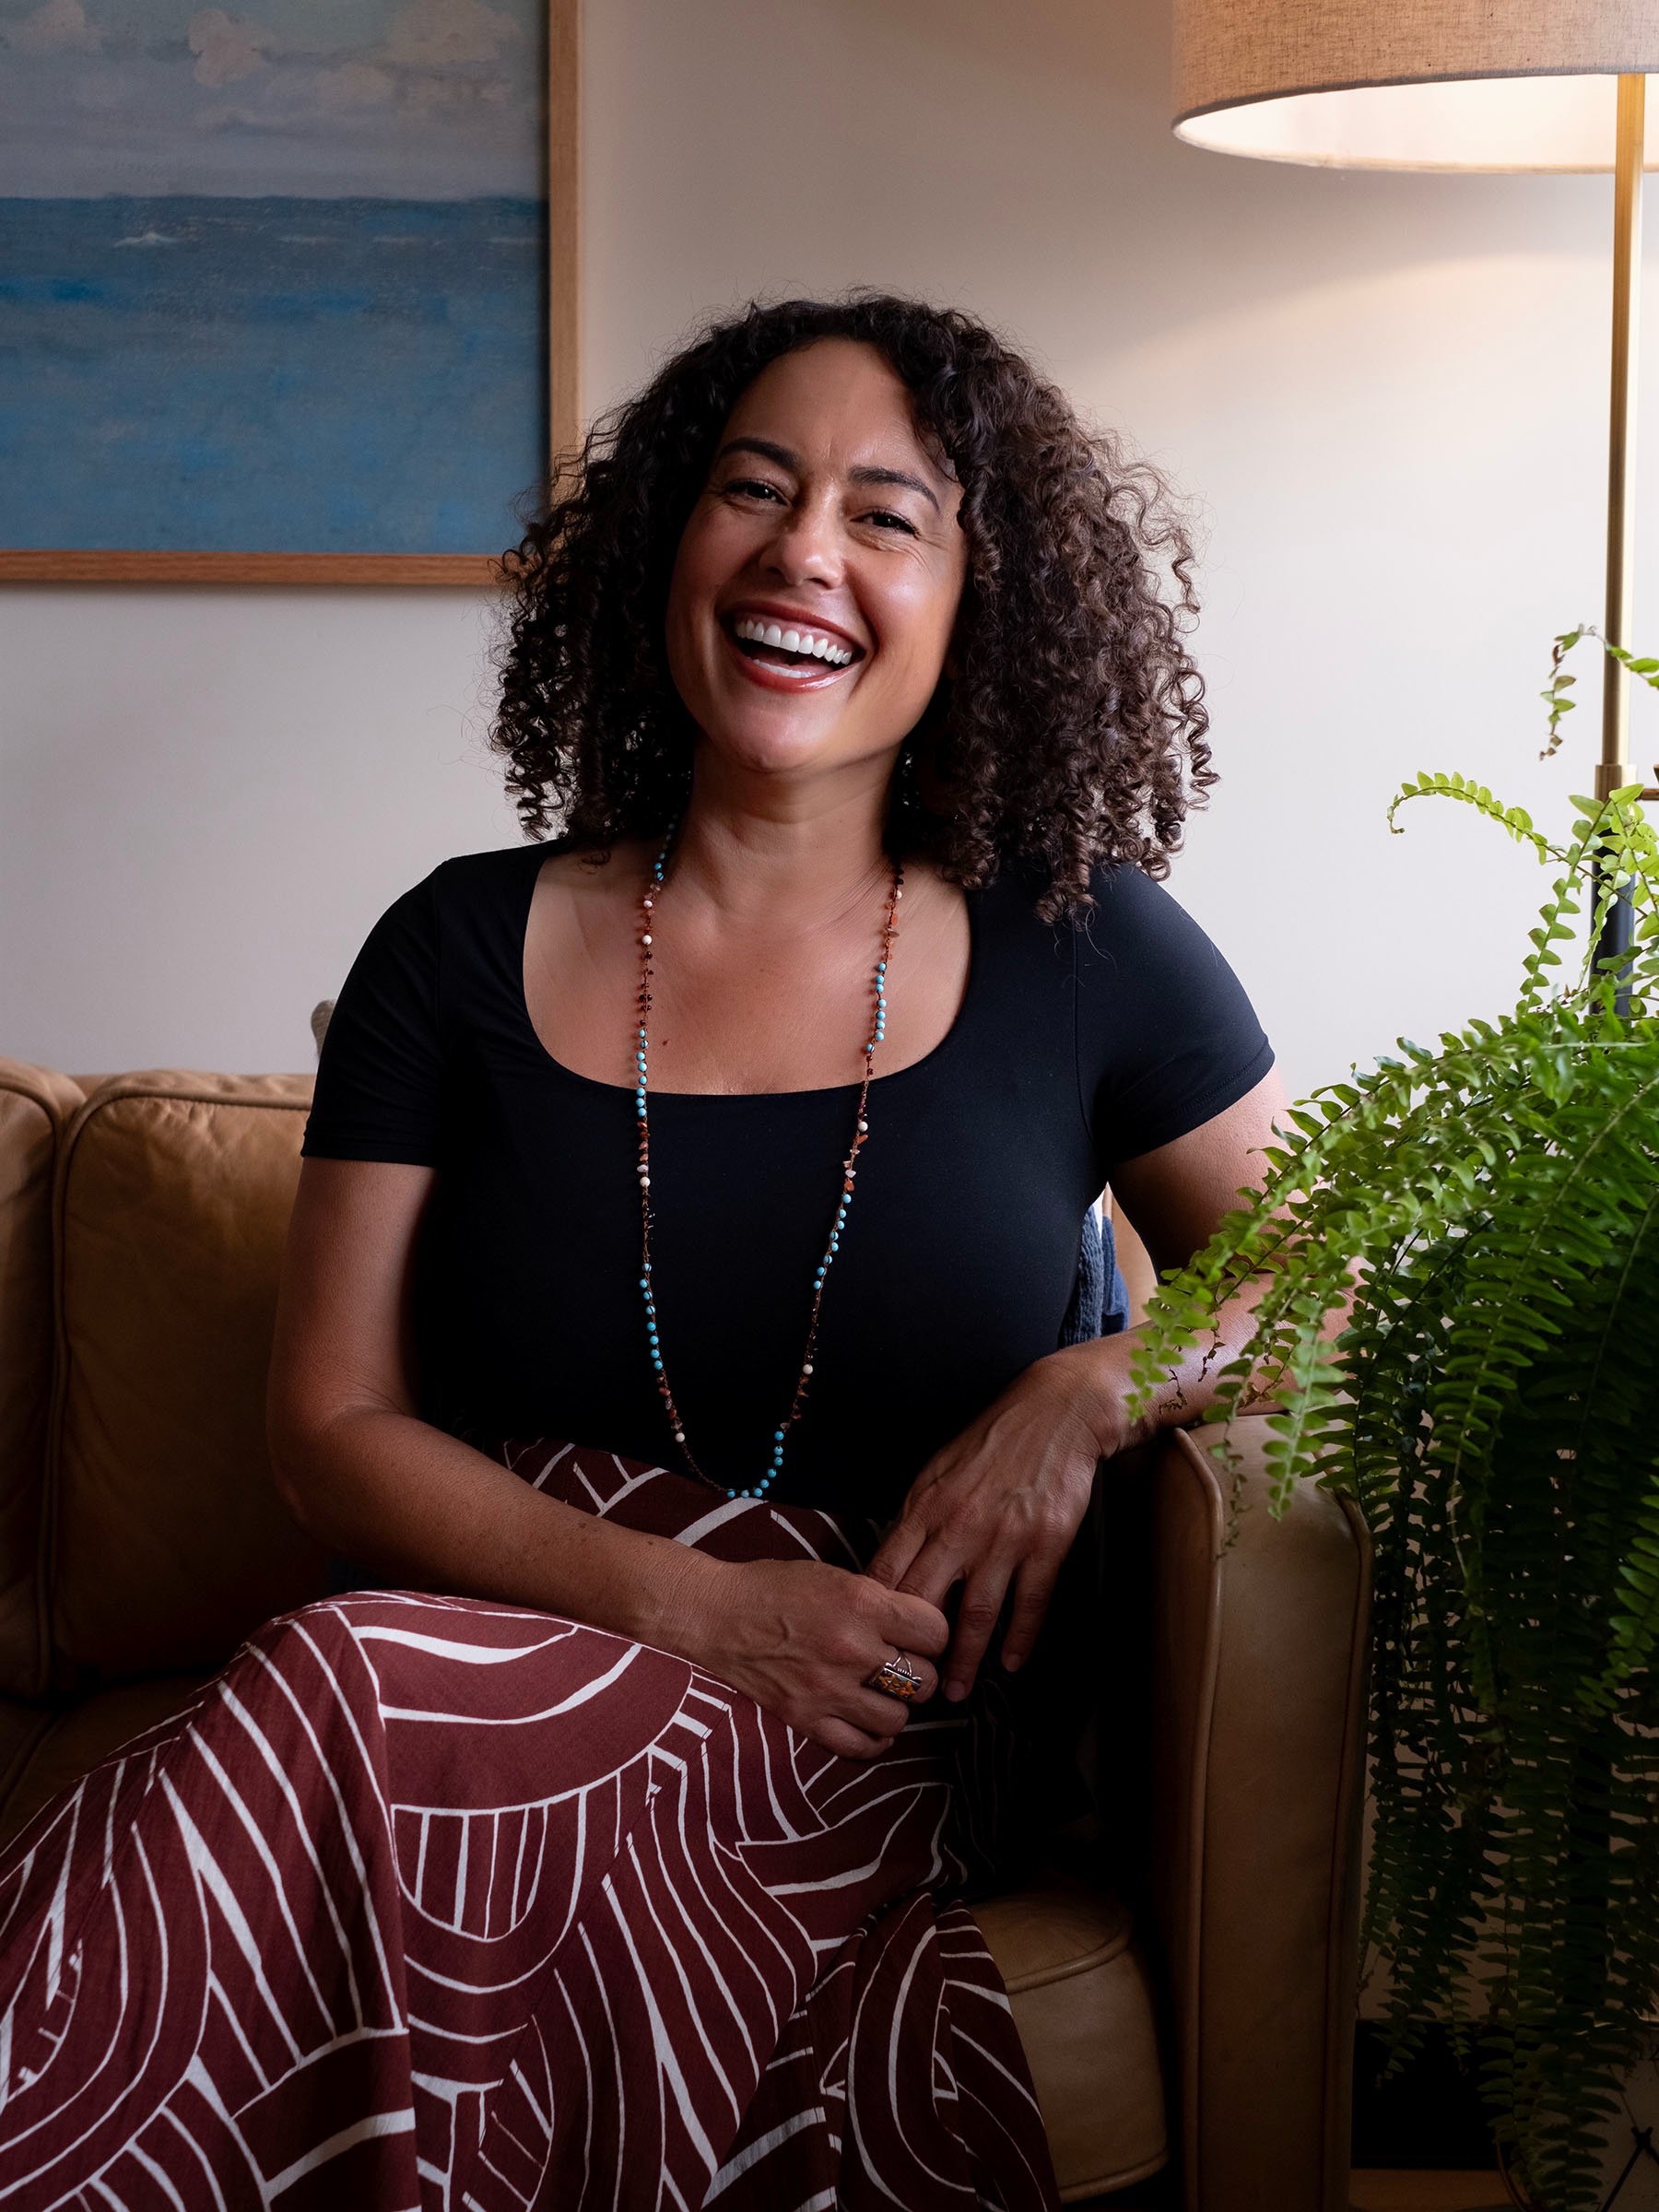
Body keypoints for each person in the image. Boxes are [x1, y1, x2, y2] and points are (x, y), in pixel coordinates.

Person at [0, 292, 1284, 2210]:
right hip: (499, 1660)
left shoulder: (1088, 948)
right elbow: (329, 1427)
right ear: (665, 549)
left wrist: (1095, 1387)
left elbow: (1334, 1264)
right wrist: (688, 1612)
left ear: (978, 598)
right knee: (346, 1684)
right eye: (752, 490)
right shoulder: (450, 947)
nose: (803, 554)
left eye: (886, 514)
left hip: (883, 1706)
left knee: (339, 1689)